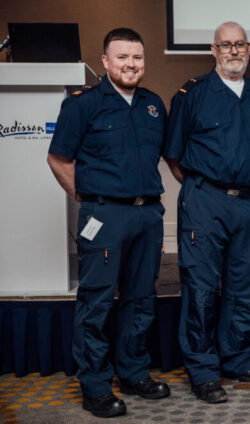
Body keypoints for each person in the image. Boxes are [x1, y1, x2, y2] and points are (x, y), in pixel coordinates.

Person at [47, 28, 170, 418]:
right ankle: (96, 386)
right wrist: (88, 201)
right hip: (104, 215)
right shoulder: (82, 105)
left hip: (147, 214)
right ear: (105, 61)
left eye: (137, 57)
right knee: (96, 302)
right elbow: (59, 160)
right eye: (122, 58)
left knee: (141, 299)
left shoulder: (153, 105)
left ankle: (134, 372)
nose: (131, 65)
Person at [164, 21, 250, 404]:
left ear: (249, 49)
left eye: (240, 44)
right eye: (225, 45)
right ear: (213, 50)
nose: (233, 51)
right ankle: (203, 370)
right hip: (206, 201)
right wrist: (202, 190)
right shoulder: (191, 94)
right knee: (201, 289)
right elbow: (174, 154)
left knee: (247, 288)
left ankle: (237, 358)